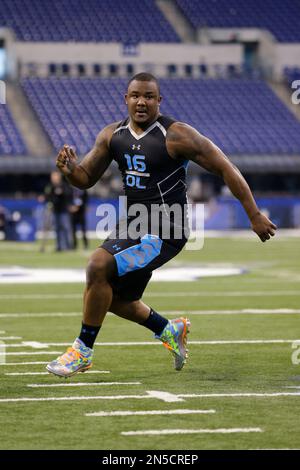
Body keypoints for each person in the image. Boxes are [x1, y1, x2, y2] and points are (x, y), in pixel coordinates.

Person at [46, 72, 277, 378]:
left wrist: (254, 214)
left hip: (167, 227)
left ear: (159, 100)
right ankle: (169, 329)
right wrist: (70, 169)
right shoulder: (111, 135)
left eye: (149, 96)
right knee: (113, 299)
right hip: (133, 224)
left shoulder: (177, 134)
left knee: (97, 266)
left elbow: (225, 167)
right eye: (135, 96)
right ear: (126, 99)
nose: (141, 102)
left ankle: (82, 352)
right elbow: (86, 179)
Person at [45, 171, 73, 252]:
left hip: (64, 210)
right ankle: (59, 246)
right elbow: (48, 196)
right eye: (52, 177)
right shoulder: (50, 186)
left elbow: (69, 194)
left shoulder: (64, 185)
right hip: (55, 210)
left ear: (59, 177)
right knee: (57, 229)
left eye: (55, 177)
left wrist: (62, 193)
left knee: (66, 228)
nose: (53, 179)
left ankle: (68, 246)